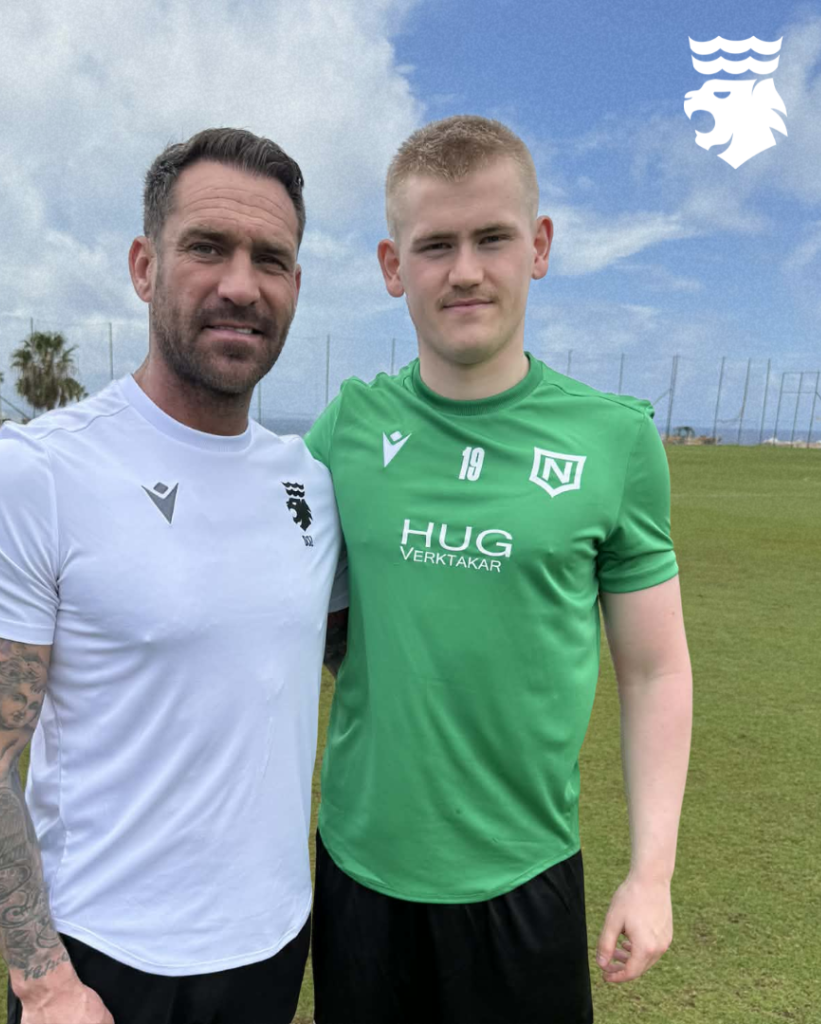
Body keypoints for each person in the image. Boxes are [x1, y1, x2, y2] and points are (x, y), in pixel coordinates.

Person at [0, 127, 345, 1024]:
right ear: (144, 265)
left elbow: (351, 655)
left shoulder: (309, 482)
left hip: (274, 946)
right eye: (207, 247)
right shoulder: (33, 477)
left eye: (271, 259)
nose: (241, 285)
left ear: (296, 285)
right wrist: (45, 983)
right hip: (103, 966)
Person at [306, 115, 693, 1024]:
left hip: (525, 879)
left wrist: (652, 872)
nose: (466, 271)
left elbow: (656, 669)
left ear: (540, 246)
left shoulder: (615, 440)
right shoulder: (346, 430)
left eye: (492, 238)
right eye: (434, 245)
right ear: (393, 266)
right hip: (362, 876)